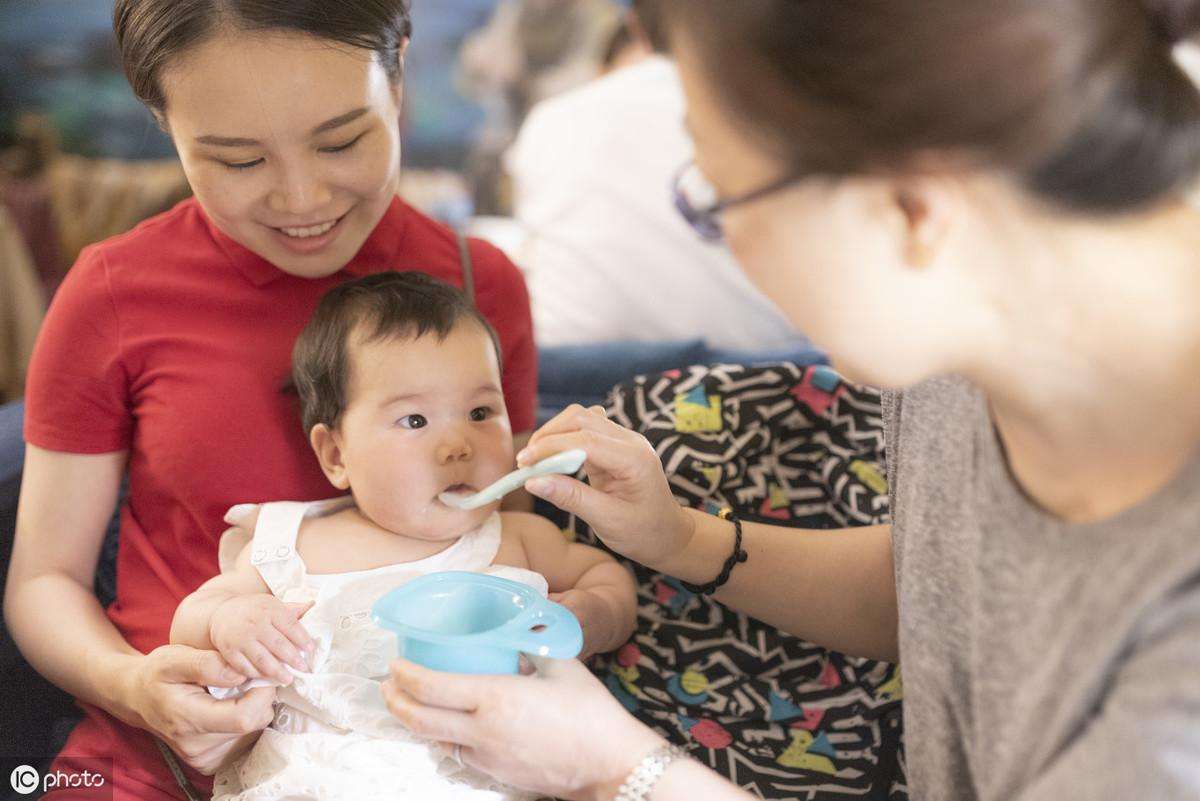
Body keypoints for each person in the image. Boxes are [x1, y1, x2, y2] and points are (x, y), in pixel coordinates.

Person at [383, 1, 1200, 800]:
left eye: (720, 200)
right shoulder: (967, 333)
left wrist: (619, 767)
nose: (731, 245)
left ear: (911, 209)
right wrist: (681, 538)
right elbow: (941, 581)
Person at [3, 2, 539, 798]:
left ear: (396, 82)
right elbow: (45, 578)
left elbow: (509, 540)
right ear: (165, 122)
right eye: (237, 160)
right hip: (160, 758)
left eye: (341, 140)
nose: (301, 198)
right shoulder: (114, 293)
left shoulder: (475, 281)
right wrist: (135, 685)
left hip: (427, 761)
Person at [170, 272, 634, 800]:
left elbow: (606, 574)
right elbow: (199, 610)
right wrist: (230, 619)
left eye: (481, 412)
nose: (457, 445)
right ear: (336, 455)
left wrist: (594, 615)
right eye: (415, 420)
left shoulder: (519, 537)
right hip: (316, 781)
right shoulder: (295, 540)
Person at [504, 4, 805, 352]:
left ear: (636, 25)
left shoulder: (554, 119)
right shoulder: (775, 114)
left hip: (573, 377)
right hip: (763, 373)